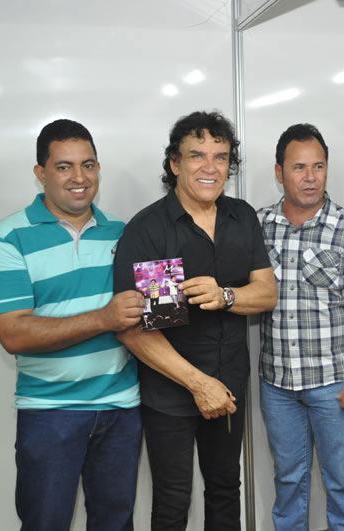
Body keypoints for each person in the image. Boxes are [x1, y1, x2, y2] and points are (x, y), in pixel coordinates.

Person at [113, 111, 277, 530]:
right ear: (174, 163)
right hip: (172, 392)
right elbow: (139, 330)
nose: (210, 167)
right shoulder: (151, 229)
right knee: (173, 500)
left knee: (225, 489)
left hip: (229, 383)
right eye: (197, 155)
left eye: (220, 157)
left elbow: (266, 293)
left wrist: (226, 296)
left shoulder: (241, 217)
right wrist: (200, 385)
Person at [0, 119, 145, 531]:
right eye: (64, 166)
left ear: (98, 168)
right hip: (50, 413)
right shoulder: (8, 238)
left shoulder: (122, 232)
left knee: (115, 523)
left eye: (88, 165)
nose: (79, 178)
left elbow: (148, 313)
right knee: (45, 522)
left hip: (121, 407)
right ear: (41, 173)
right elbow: (13, 333)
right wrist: (104, 317)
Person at [258, 123, 344, 530]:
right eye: (299, 167)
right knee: (288, 483)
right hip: (278, 385)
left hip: (335, 385)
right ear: (279, 172)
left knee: (343, 484)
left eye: (318, 166)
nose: (310, 177)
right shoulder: (259, 225)